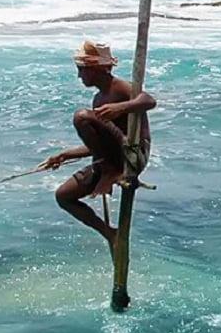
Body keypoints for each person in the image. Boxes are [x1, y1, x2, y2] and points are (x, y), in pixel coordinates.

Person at [39, 41, 157, 244]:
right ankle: (110, 234)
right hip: (113, 158)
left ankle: (110, 171)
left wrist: (121, 107)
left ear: (97, 69)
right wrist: (64, 155)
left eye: (82, 70)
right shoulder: (98, 99)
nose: (79, 76)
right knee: (64, 196)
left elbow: (149, 101)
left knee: (82, 117)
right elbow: (100, 146)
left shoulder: (119, 88)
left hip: (134, 155)